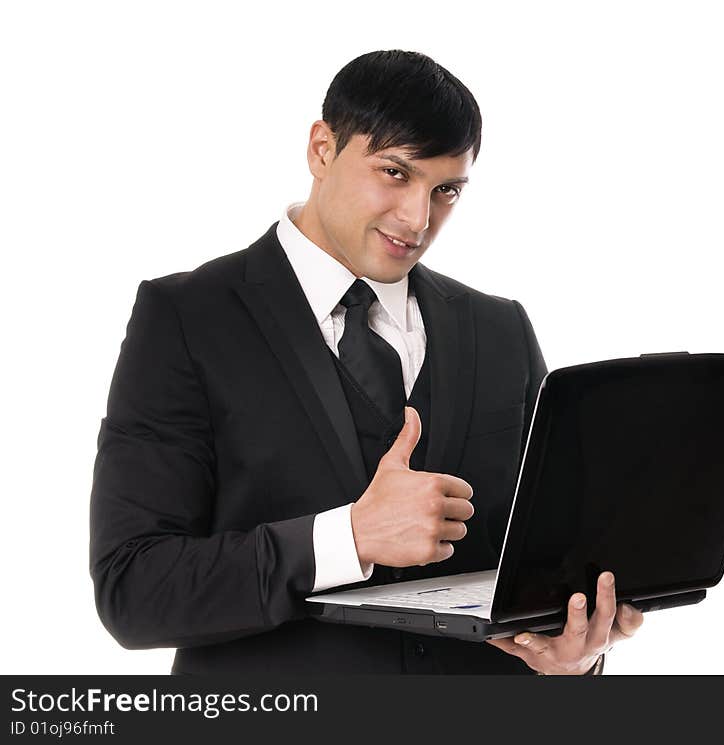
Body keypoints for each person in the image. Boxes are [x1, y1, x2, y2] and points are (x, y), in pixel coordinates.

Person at [89, 50, 643, 675]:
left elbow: (549, 565)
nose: (418, 219)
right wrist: (347, 539)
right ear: (322, 149)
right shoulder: (187, 317)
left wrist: (572, 657)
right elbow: (133, 589)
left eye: (446, 191)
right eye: (395, 173)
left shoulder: (500, 329)